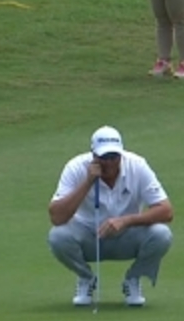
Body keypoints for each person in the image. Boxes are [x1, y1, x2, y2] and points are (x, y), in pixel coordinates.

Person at [48, 126, 174, 307]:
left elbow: (166, 210)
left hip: (127, 236)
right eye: (103, 158)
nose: (109, 163)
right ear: (93, 156)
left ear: (121, 155)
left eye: (113, 157)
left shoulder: (137, 165)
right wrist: (88, 181)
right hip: (88, 237)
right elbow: (57, 217)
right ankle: (86, 279)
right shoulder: (75, 167)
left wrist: (126, 220)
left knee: (162, 234)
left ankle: (133, 279)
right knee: (57, 236)